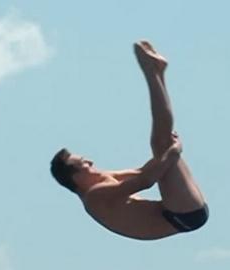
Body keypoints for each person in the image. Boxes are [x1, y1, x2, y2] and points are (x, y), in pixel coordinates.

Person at [50, 40, 208, 240]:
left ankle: (157, 73)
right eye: (83, 164)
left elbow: (144, 171)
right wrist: (174, 152)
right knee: (162, 146)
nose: (90, 162)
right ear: (76, 178)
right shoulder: (94, 196)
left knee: (162, 145)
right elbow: (145, 181)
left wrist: (170, 151)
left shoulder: (104, 178)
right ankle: (152, 72)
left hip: (179, 208)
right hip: (181, 216)